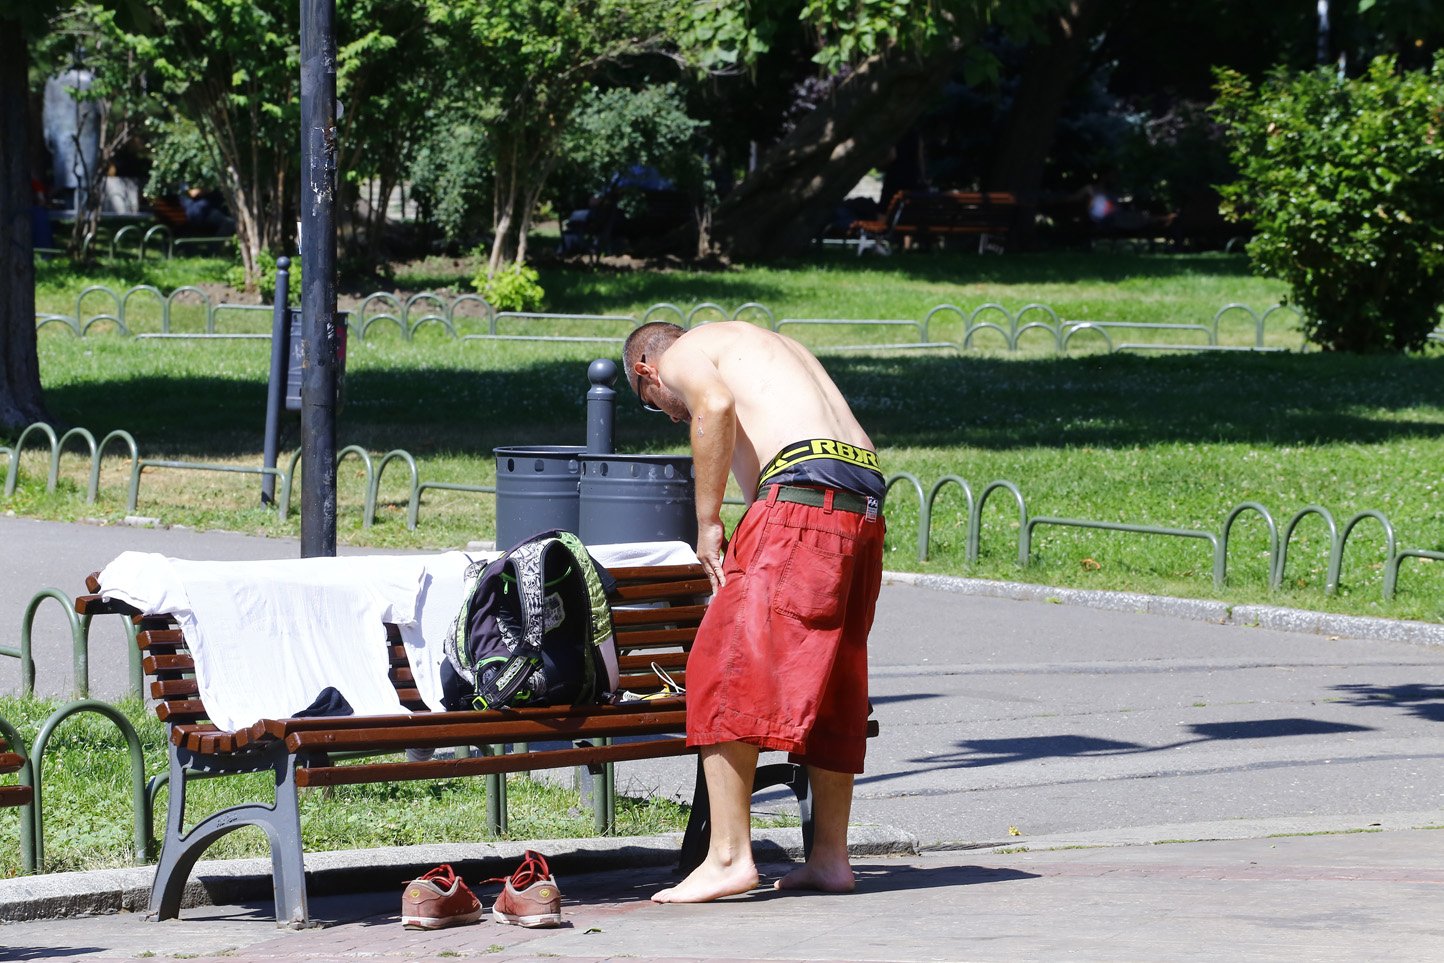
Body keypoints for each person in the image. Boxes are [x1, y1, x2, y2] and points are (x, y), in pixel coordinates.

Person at [622, 320, 886, 903]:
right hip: (860, 501)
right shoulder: (767, 350)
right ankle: (830, 859)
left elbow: (709, 406)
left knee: (719, 670)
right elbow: (759, 485)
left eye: (656, 405)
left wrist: (708, 523)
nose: (671, 415)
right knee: (834, 679)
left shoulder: (685, 354)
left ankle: (728, 858)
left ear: (647, 369)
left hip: (804, 497)